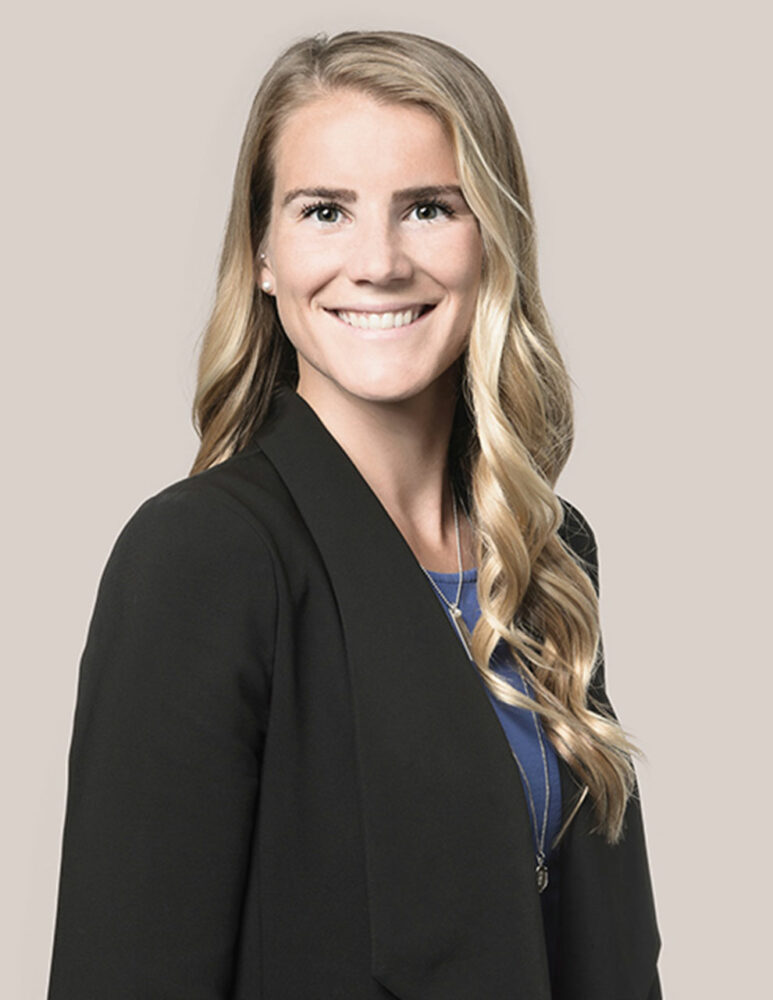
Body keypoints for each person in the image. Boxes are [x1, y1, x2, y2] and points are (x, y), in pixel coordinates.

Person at [47, 29, 662, 1000]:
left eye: (426, 207)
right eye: (324, 210)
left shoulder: (544, 553)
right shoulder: (204, 557)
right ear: (261, 255)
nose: (376, 262)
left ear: (489, 237)